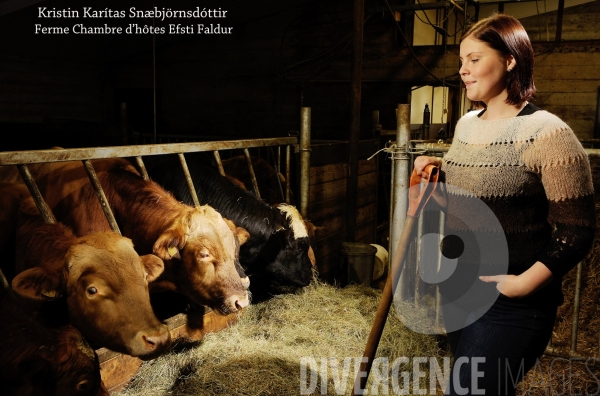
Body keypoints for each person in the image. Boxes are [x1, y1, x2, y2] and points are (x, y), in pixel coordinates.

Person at [414, 13, 596, 395]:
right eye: (461, 60)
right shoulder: (466, 125)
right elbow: (478, 190)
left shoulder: (548, 133)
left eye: (474, 59)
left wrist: (524, 284)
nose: (463, 70)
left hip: (510, 301)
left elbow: (577, 228)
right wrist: (436, 171)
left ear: (511, 59)